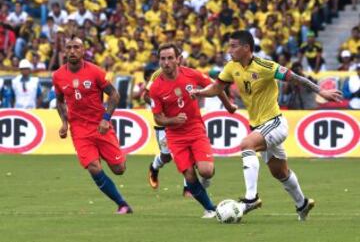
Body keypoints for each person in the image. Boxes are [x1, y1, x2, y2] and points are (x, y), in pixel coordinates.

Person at [191, 30, 342, 221]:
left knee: (246, 144)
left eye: (233, 46)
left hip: (275, 123)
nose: (229, 50)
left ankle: (250, 199)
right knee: (280, 172)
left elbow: (295, 77)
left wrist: (322, 91)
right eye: (229, 45)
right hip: (259, 127)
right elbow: (216, 88)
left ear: (246, 48)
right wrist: (200, 93)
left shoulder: (265, 66)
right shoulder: (231, 67)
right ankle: (302, 204)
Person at [148, 42, 236, 218]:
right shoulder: (156, 88)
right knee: (189, 176)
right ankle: (210, 208)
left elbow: (216, 87)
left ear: (178, 59)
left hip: (195, 129)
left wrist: (228, 105)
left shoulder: (191, 74)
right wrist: (173, 120)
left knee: (206, 171)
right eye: (162, 59)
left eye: (170, 58)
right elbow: (158, 117)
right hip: (174, 135)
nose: (166, 62)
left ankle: (203, 175)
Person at [52, 36, 132, 214]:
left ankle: (112, 153)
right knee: (93, 167)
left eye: (76, 47)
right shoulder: (58, 76)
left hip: (100, 125)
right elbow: (59, 101)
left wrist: (105, 118)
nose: (72, 51)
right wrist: (64, 122)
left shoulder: (95, 71)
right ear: (65, 51)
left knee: (119, 169)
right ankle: (122, 204)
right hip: (79, 130)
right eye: (69, 47)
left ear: (83, 50)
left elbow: (114, 95)